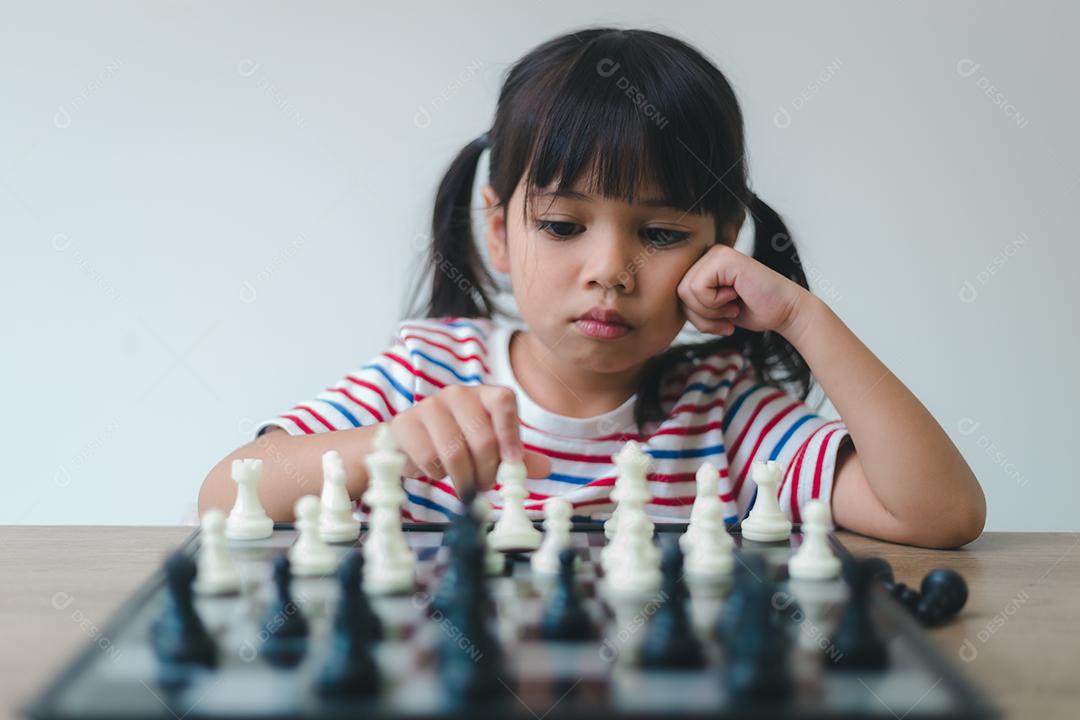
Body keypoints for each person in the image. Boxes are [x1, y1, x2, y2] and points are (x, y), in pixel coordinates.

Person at [199, 27, 985, 548]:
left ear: (719, 240)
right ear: (500, 230)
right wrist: (387, 446)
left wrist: (803, 317)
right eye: (565, 226)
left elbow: (938, 514)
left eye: (661, 233)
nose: (610, 271)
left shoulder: (719, 409)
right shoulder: (426, 376)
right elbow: (222, 495)